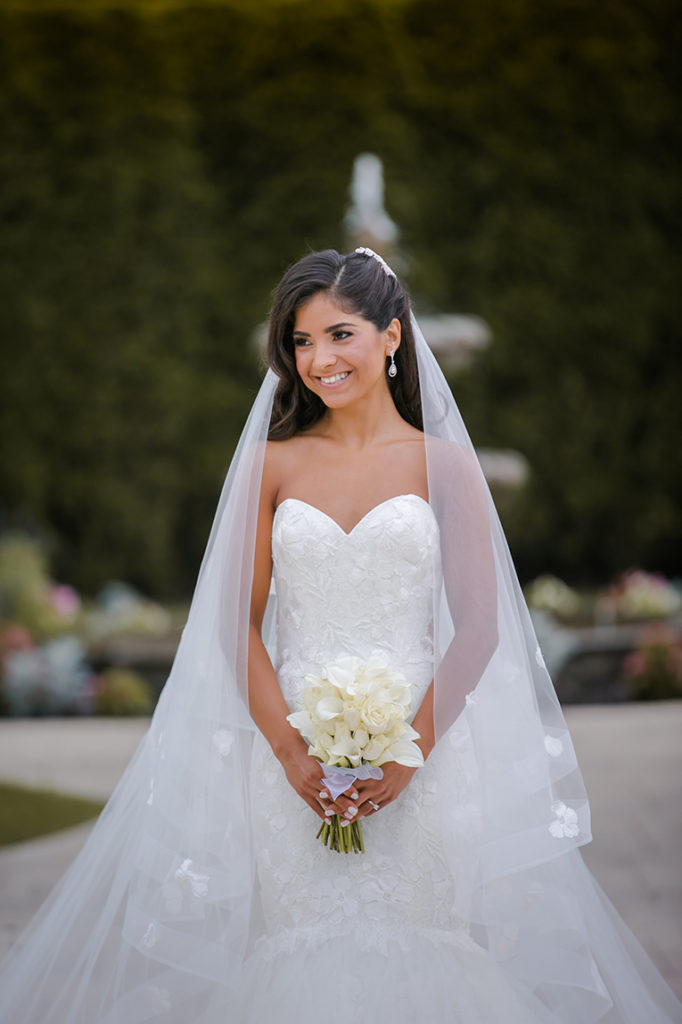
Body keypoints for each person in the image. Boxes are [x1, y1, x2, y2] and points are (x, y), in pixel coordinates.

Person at [0, 247, 679, 1023]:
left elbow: (483, 626)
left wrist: (408, 753)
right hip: (292, 763)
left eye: (339, 334)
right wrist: (291, 755)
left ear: (392, 336)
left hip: (428, 758)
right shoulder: (271, 464)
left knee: (429, 947)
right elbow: (233, 624)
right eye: (300, 341)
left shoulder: (447, 466)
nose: (318, 359)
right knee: (301, 954)